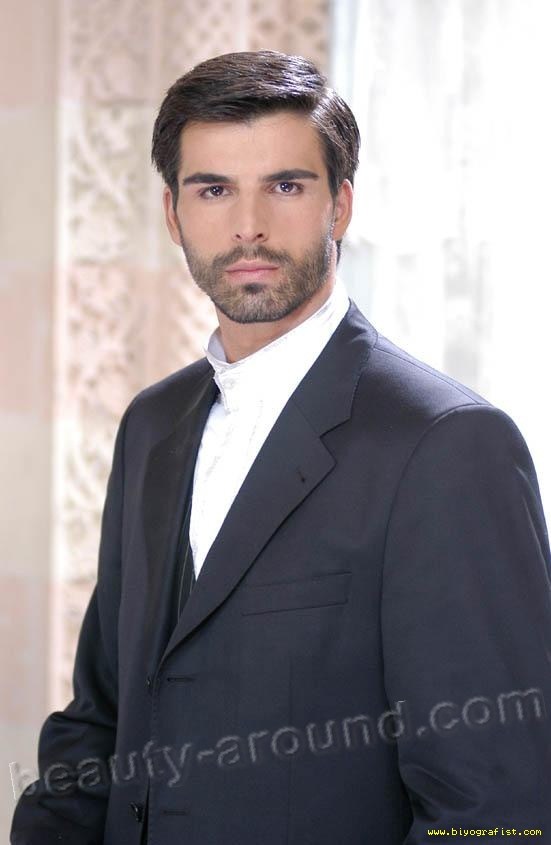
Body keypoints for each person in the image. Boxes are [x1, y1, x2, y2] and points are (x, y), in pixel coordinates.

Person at [11, 50, 551, 845]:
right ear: (173, 214)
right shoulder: (151, 425)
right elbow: (102, 717)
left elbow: (495, 808)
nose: (248, 226)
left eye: (286, 186)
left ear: (340, 205)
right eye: (213, 189)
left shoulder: (447, 444)